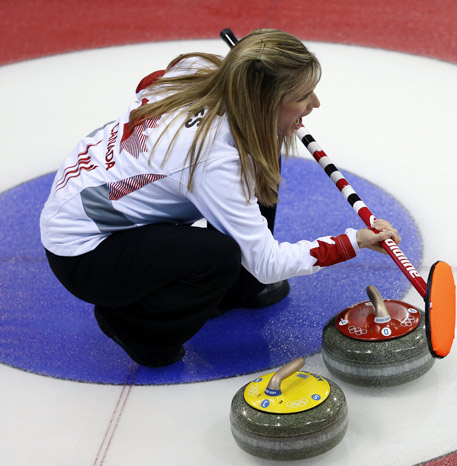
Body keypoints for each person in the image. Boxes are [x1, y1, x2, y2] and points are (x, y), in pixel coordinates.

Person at [39, 29, 400, 367]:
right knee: (218, 257)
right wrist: (355, 241)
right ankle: (134, 327)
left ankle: (242, 288)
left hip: (84, 192)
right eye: (303, 97)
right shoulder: (214, 160)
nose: (315, 104)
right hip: (85, 252)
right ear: (265, 100)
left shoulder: (200, 68)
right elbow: (268, 263)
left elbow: (149, 82)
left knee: (261, 147)